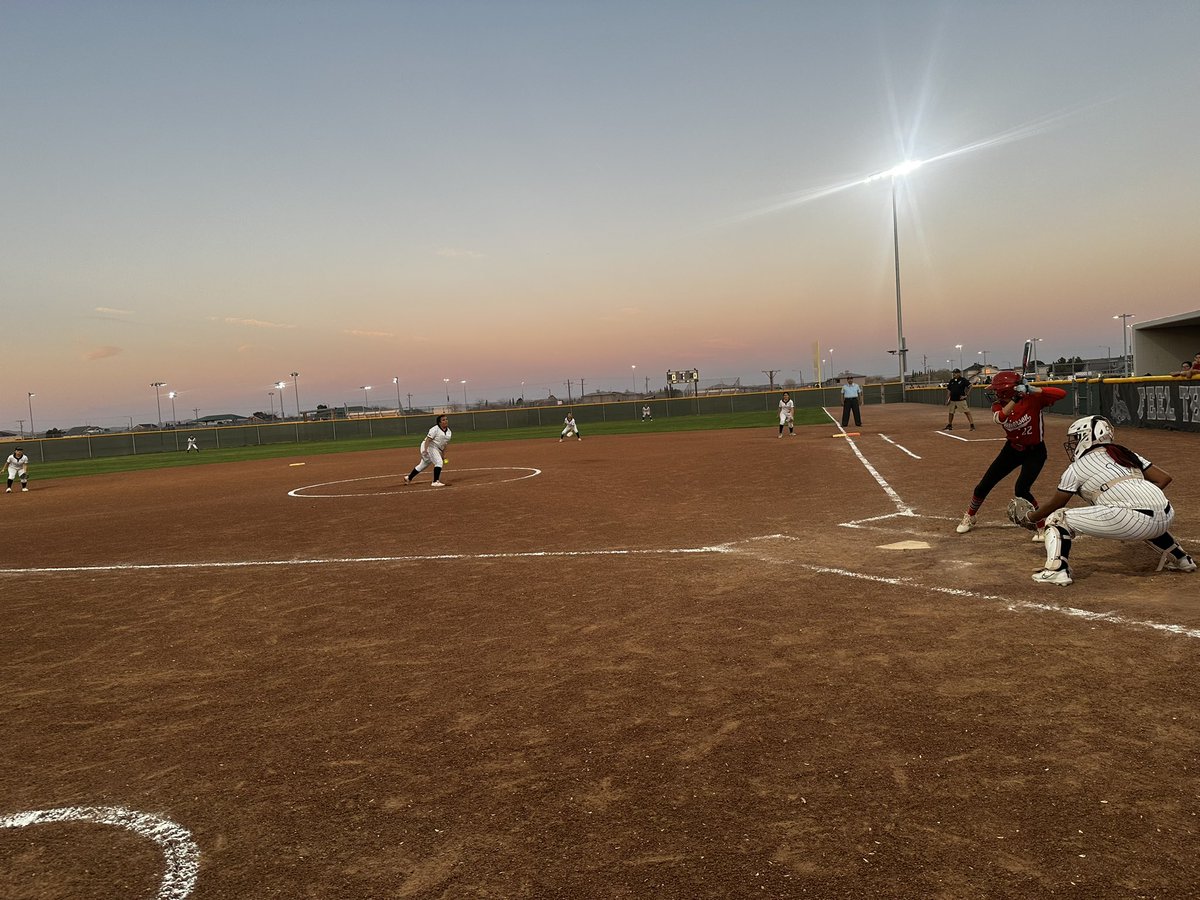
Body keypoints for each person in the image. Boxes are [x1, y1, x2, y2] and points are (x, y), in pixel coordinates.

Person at [1018, 415, 1195, 585]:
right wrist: (1137, 497)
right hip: (1167, 514)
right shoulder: (1125, 454)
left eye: (1077, 438)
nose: (1074, 443)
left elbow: (1058, 502)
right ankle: (1182, 559)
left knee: (1058, 518)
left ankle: (1057, 571)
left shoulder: (1078, 467)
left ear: (1087, 437)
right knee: (1146, 514)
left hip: (1132, 521)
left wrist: (1031, 517)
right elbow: (1164, 478)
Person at [955, 370, 1067, 536]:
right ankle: (970, 516)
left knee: (1021, 489)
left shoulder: (1033, 399)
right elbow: (1000, 418)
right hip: (1013, 449)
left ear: (1006, 390)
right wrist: (1016, 398)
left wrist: (1033, 389)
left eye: (997, 390)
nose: (994, 393)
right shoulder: (998, 405)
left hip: (1035, 452)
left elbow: (1061, 394)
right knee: (983, 485)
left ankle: (1041, 524)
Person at [403, 414, 452, 487]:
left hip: (436, 448)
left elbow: (445, 445)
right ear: (439, 422)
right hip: (429, 446)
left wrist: (443, 455)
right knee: (438, 462)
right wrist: (425, 450)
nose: (446, 421)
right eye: (443, 420)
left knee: (423, 464)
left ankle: (408, 478)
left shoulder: (449, 432)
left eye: (446, 419)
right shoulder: (434, 429)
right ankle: (435, 481)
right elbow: (428, 440)